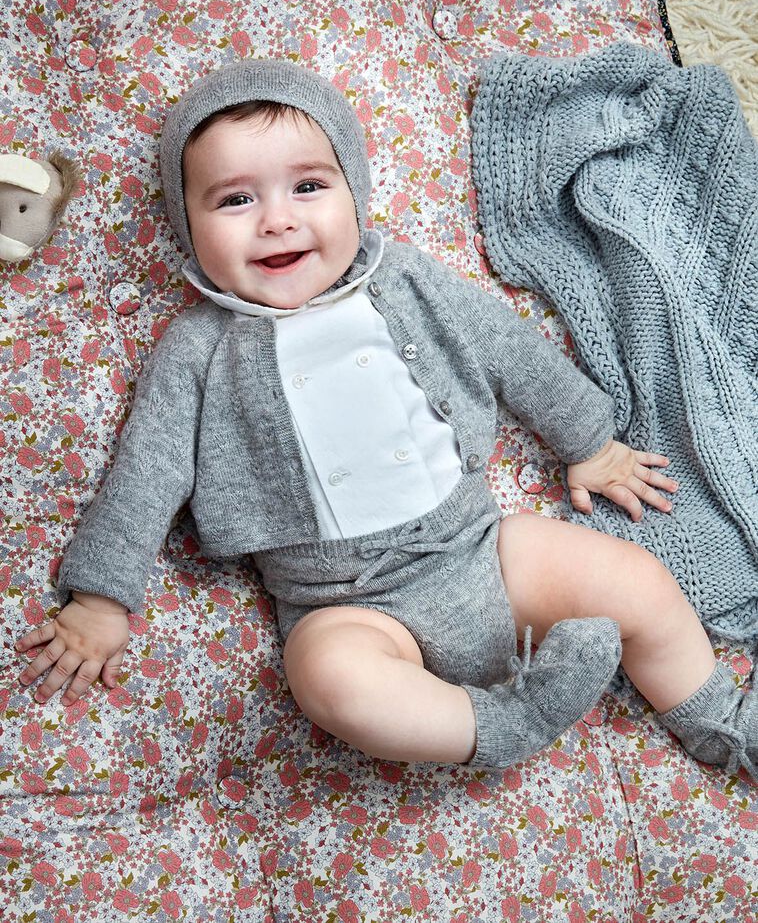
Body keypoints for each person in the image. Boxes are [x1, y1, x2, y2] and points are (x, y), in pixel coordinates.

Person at [15, 59, 756, 777]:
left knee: (636, 580)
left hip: (482, 549)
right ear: (187, 225)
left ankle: (718, 718)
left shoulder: (401, 279)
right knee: (329, 683)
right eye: (235, 200)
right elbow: (147, 469)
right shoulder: (198, 348)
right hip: (346, 603)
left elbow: (506, 345)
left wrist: (588, 440)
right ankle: (501, 725)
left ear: (355, 193)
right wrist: (100, 598)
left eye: (308, 186)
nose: (277, 221)